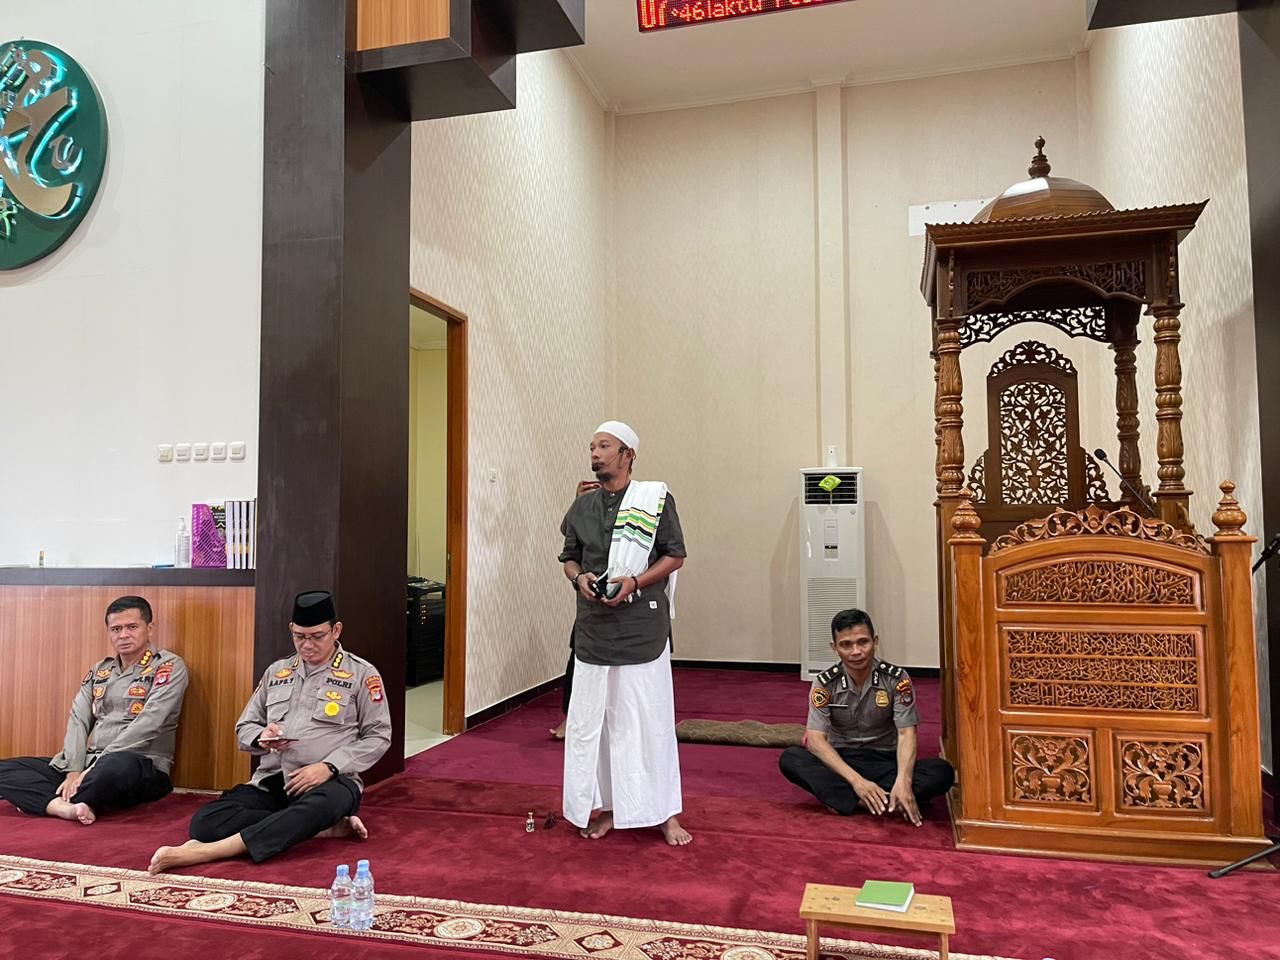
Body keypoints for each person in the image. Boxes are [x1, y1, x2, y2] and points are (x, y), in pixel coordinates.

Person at [148, 591, 391, 872]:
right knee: (206, 821)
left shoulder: (362, 674)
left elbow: (378, 735)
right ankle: (319, 828)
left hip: (331, 782)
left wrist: (330, 766)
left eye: (317, 636)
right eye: (299, 636)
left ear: (335, 630)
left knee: (324, 805)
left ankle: (209, 852)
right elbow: (244, 727)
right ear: (291, 630)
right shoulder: (278, 672)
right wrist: (262, 737)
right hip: (274, 779)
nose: (307, 645)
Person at [559, 420, 690, 845]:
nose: (595, 454)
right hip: (594, 631)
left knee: (648, 722)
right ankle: (612, 808)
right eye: (592, 447)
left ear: (628, 455)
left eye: (604, 446)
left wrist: (634, 582)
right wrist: (580, 579)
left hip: (640, 630)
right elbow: (569, 558)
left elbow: (675, 555)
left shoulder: (655, 500)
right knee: (596, 726)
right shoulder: (582, 506)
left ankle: (665, 813)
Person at [0, 596, 188, 825]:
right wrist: (73, 770)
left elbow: (151, 722)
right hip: (90, 764)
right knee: (6, 769)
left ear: (149, 628)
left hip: (139, 765)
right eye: (116, 629)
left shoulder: (168, 666)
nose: (123, 635)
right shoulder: (101, 670)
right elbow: (78, 719)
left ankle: (49, 798)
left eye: (132, 627)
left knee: (114, 769)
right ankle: (64, 806)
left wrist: (95, 767)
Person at [779, 608, 955, 825]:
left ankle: (850, 799)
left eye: (863, 642)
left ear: (875, 641)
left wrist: (904, 780)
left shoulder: (896, 679)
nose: (856, 652)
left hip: (885, 760)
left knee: (942, 772)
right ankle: (882, 800)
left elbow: (906, 733)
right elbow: (816, 741)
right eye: (846, 645)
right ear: (834, 648)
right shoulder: (824, 683)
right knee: (791, 759)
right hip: (842, 762)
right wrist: (857, 782)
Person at [550, 478, 602, 740]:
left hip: (623, 591)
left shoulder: (634, 500)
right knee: (578, 655)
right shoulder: (586, 504)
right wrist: (577, 501)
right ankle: (570, 717)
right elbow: (567, 532)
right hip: (588, 593)